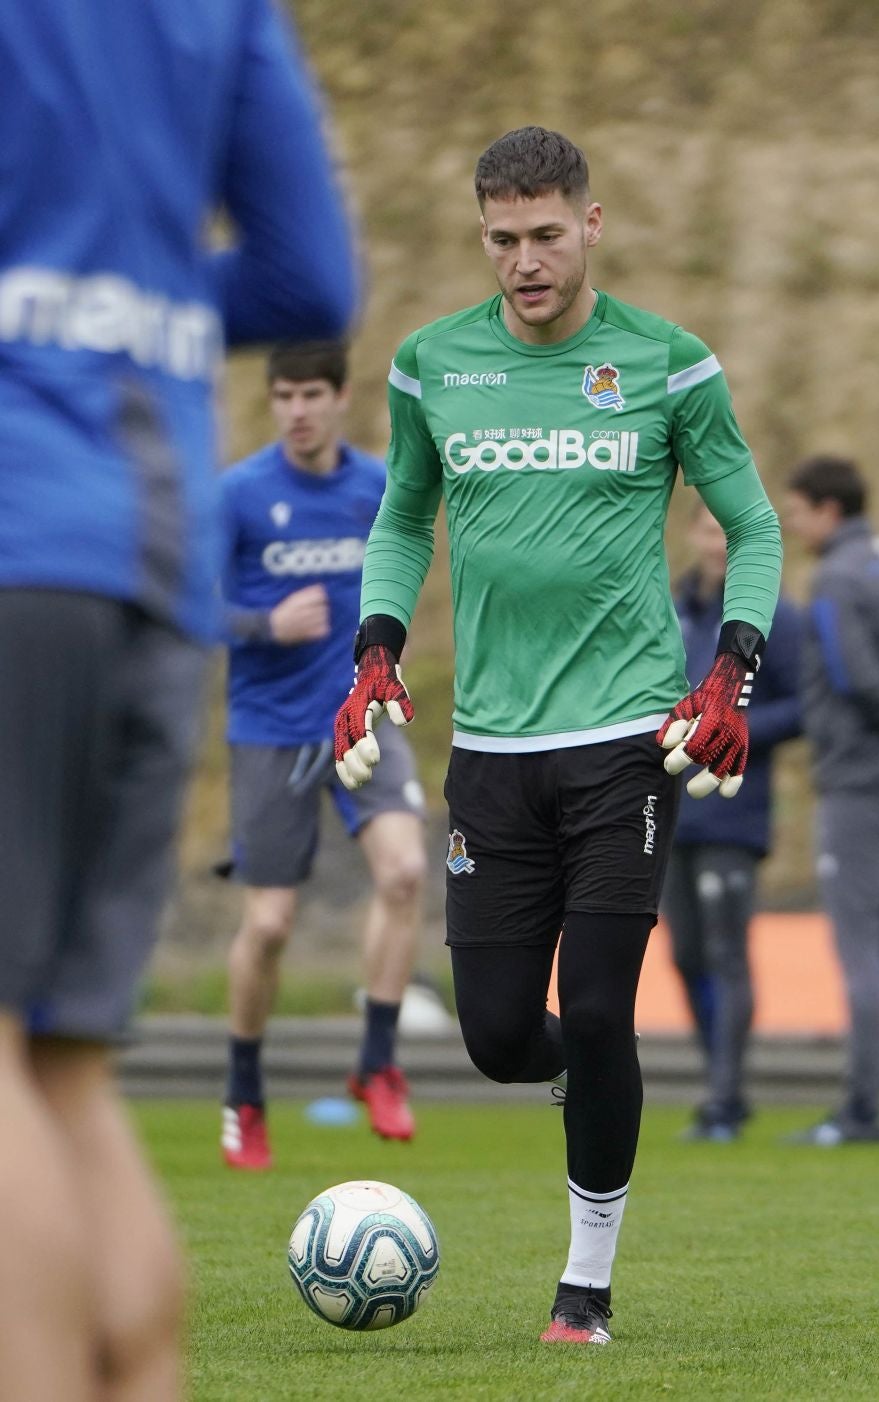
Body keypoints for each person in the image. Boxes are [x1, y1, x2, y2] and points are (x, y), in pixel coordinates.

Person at [333, 126, 783, 1344]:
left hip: (627, 741)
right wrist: (376, 640)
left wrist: (733, 661)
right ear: (482, 237)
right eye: (501, 241)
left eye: (544, 235)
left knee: (595, 1005)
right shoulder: (432, 366)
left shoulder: (670, 365)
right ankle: (595, 1084)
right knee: (493, 1037)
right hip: (490, 750)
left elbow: (754, 525)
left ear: (592, 223)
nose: (524, 261)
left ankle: (584, 1285)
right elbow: (401, 518)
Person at [0, 3, 356, 1397]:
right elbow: (309, 268)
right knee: (66, 1073)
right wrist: (123, 295)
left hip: (17, 530)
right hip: (154, 561)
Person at [219, 340, 427, 1167]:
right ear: (271, 404)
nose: (298, 410)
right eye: (284, 397)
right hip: (268, 729)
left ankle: (377, 1063)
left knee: (407, 873)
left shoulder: (375, 486)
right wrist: (265, 625)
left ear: (342, 399)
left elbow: (408, 559)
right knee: (268, 924)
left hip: (362, 714)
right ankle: (243, 1090)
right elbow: (191, 603)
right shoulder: (238, 495)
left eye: (313, 394)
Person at [662, 504, 803, 1141]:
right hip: (670, 810)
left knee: (727, 954)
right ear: (693, 533)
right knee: (687, 954)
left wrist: (734, 730)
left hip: (734, 810)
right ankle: (720, 1082)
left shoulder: (776, 616)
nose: (718, 540)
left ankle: (724, 1097)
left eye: (729, 528)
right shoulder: (670, 607)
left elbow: (805, 703)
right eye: (708, 527)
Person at [784, 454, 879, 1144]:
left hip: (856, 784)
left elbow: (855, 680)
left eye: (798, 512)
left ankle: (860, 1109)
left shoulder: (833, 577)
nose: (795, 526)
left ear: (828, 509)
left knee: (860, 948)